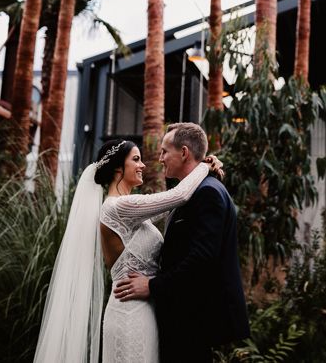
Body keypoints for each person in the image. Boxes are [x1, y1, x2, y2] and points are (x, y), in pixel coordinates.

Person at [33, 136, 222, 363]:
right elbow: (178, 196)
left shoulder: (131, 209)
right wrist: (204, 166)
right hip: (129, 314)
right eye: (136, 159)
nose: (143, 165)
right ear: (117, 169)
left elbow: (171, 207)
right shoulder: (117, 207)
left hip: (144, 311)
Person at [114, 123, 250, 363]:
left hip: (193, 318)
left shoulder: (207, 193)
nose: (160, 158)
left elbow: (202, 259)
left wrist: (152, 286)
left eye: (165, 151)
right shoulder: (191, 192)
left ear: (184, 152)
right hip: (183, 316)